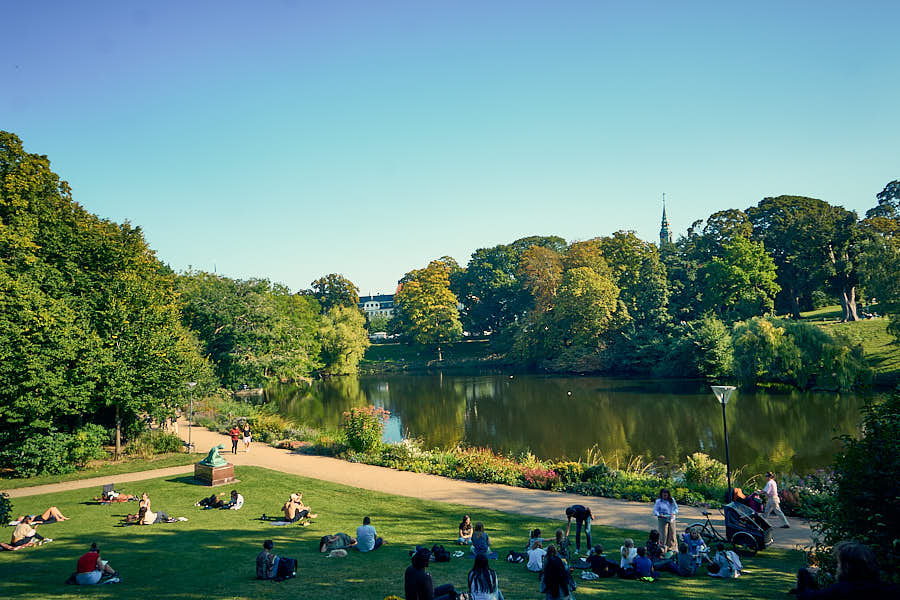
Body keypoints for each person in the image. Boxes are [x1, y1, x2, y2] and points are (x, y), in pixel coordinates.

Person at [795, 541, 900, 598]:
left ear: (846, 567)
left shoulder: (838, 591)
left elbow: (806, 596)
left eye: (839, 564)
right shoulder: (890, 590)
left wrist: (804, 575)